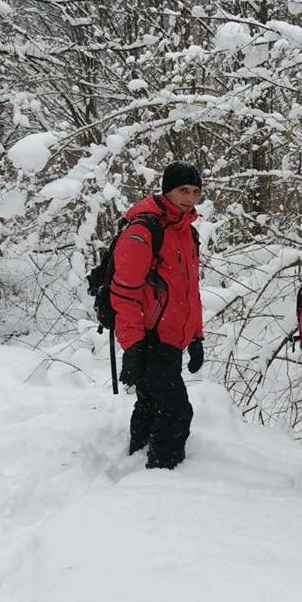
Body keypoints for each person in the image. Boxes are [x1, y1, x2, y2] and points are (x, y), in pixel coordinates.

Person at [111, 161, 205, 469]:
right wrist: (133, 345)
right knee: (177, 412)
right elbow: (124, 292)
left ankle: (137, 459)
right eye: (183, 190)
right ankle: (161, 477)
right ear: (167, 190)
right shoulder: (144, 230)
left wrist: (196, 337)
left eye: (195, 191)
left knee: (151, 402)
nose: (189, 198)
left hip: (173, 337)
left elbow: (190, 292)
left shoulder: (187, 233)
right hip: (151, 337)